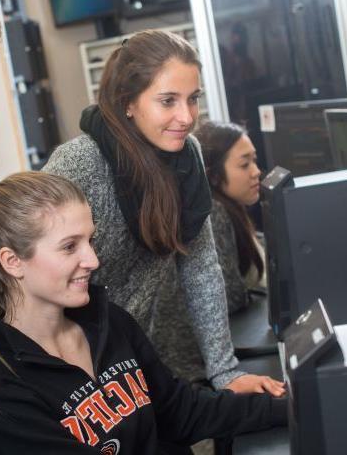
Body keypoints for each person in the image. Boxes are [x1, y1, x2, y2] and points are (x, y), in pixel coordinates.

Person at [0, 171, 286, 454]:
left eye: (90, 241)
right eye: (70, 247)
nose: (93, 261)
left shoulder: (108, 322)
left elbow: (180, 412)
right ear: (12, 262)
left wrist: (287, 406)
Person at [43, 30, 284, 396]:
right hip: (62, 362)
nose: (185, 117)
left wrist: (225, 372)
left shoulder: (187, 158)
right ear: (128, 102)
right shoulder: (80, 163)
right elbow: (32, 277)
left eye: (193, 99)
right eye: (168, 100)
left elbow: (200, 266)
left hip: (129, 349)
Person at [197, 121, 266, 315]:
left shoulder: (232, 208)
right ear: (214, 176)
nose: (256, 172)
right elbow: (232, 297)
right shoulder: (214, 213)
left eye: (254, 160)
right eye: (245, 164)